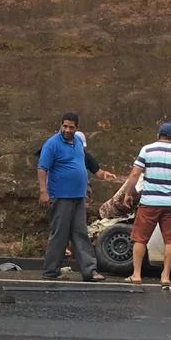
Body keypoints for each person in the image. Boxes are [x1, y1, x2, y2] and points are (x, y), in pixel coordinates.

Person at [37, 112, 106, 282]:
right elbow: (42, 168)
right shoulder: (52, 144)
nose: (67, 130)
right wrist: (43, 191)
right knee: (59, 234)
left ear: (77, 128)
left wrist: (86, 186)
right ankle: (51, 271)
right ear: (61, 125)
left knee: (81, 233)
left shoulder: (77, 144)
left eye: (71, 127)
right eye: (65, 126)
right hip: (60, 195)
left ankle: (90, 271)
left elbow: (80, 167)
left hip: (78, 196)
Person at [119, 122, 171, 287]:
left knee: (140, 239)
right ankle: (165, 276)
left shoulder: (147, 150)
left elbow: (135, 173)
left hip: (149, 202)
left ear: (158, 135)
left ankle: (137, 274)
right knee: (170, 240)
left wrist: (128, 193)